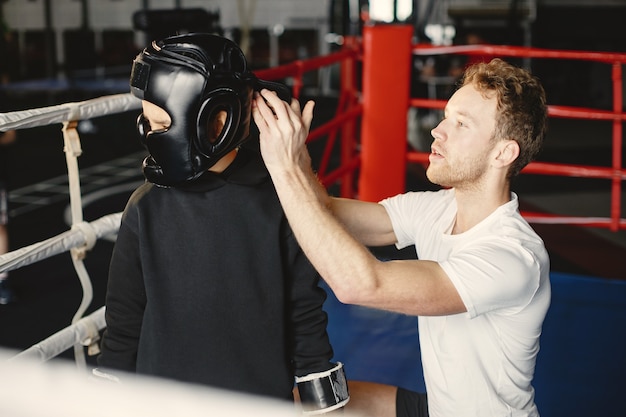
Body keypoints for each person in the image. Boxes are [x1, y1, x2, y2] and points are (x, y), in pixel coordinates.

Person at [252, 57, 551, 417]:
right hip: (438, 408)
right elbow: (323, 211)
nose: (438, 131)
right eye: (445, 117)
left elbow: (361, 285)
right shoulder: (436, 208)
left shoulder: (512, 257)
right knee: (311, 405)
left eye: (461, 124)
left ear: (503, 153)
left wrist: (284, 167)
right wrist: (293, 152)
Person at [94, 33, 349, 414]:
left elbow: (305, 312)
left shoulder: (281, 202)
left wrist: (326, 405)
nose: (149, 134)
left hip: (257, 403)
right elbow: (123, 324)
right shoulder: (145, 208)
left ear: (217, 118)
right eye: (146, 121)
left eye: (160, 122)